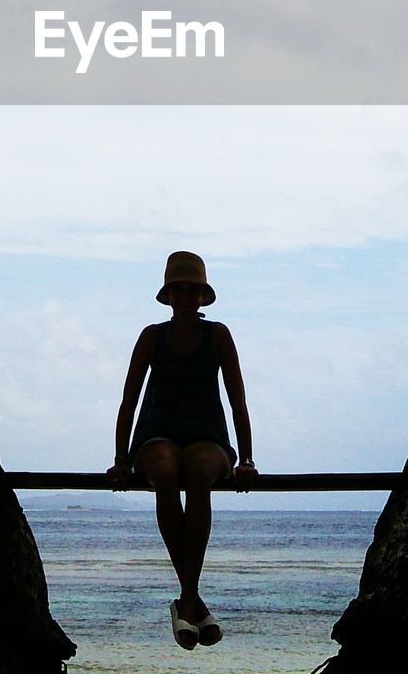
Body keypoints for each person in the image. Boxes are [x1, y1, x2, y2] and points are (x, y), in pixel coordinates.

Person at [107, 250, 257, 650]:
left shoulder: (219, 335)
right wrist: (121, 459)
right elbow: (129, 399)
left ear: (202, 296)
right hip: (156, 433)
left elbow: (238, 400)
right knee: (165, 470)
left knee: (200, 471)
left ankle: (187, 601)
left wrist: (246, 459)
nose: (186, 295)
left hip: (208, 435)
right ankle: (192, 600)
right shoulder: (152, 337)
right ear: (169, 294)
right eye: (179, 288)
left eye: (193, 289)